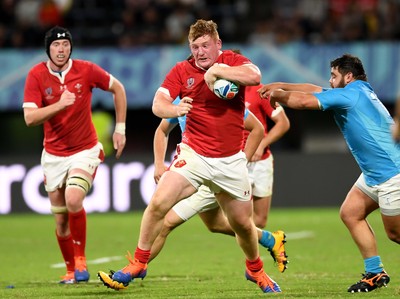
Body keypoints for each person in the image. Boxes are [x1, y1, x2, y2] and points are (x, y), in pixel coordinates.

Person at [98, 19, 282, 293]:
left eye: (205, 45)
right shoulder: (181, 71)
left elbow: (254, 76)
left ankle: (254, 270)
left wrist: (218, 70)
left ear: (217, 44)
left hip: (230, 161)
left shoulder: (231, 61)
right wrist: (175, 110)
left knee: (243, 225)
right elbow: (158, 103)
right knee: (159, 203)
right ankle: (139, 262)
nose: (199, 51)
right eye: (194, 46)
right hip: (194, 155)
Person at [258, 53, 400, 293]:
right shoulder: (357, 91)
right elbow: (313, 88)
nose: (331, 81)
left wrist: (279, 95)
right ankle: (375, 273)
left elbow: (304, 102)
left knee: (395, 233)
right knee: (351, 212)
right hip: (374, 173)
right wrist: (280, 85)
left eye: (334, 76)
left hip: (391, 173)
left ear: (348, 76)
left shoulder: (351, 94)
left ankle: (376, 272)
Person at [22, 26, 127, 284]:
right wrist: (60, 104)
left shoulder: (87, 70)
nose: (62, 50)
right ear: (48, 49)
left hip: (85, 149)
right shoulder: (36, 75)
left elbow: (119, 89)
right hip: (54, 155)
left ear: (71, 47)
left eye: (66, 45)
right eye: (57, 46)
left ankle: (81, 259)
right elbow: (29, 118)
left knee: (73, 198)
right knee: (60, 221)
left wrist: (121, 129)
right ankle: (71, 271)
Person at [149, 96, 288, 272]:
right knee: (215, 224)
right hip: (207, 168)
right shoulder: (189, 97)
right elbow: (163, 129)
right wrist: (159, 163)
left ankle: (134, 269)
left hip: (236, 166)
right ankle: (269, 241)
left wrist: (253, 152)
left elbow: (268, 126)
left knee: (256, 220)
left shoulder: (244, 94)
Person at [244, 84, 290, 228]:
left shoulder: (260, 92)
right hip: (235, 161)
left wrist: (262, 144)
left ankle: (260, 243)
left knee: (260, 221)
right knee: (239, 217)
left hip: (260, 162)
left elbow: (283, 123)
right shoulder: (222, 90)